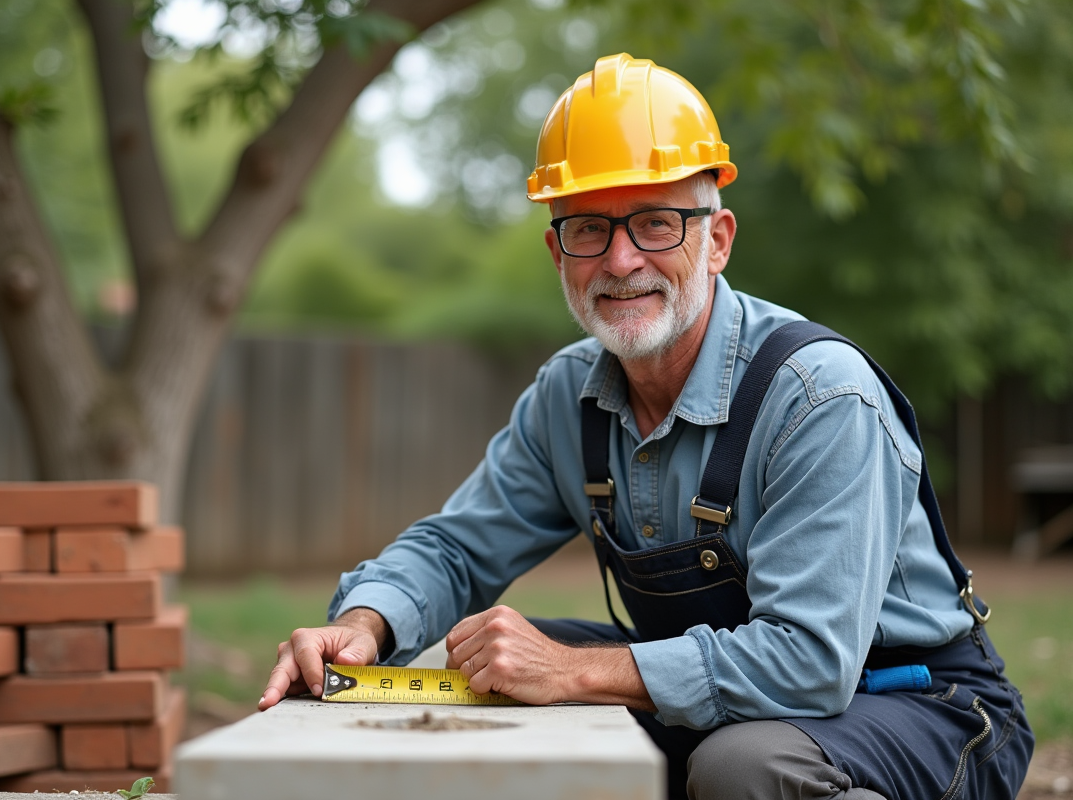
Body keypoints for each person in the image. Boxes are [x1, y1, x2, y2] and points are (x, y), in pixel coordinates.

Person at [259, 53, 1033, 800]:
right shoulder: (568, 396)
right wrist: (367, 624)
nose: (622, 260)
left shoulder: (818, 397)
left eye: (656, 222)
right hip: (730, 697)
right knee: (469, 668)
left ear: (717, 239)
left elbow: (809, 663)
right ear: (557, 252)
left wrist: (569, 671)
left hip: (917, 703)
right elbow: (458, 548)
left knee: (744, 769)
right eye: (589, 228)